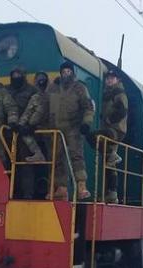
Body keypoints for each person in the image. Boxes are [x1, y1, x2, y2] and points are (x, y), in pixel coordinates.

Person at [48, 61, 94, 200]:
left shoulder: (80, 87)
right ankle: (61, 188)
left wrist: (86, 123)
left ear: (72, 72)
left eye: (68, 71)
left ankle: (81, 186)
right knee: (57, 159)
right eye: (63, 71)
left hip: (74, 128)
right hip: (57, 129)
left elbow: (88, 107)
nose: (66, 73)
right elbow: (46, 107)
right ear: (60, 73)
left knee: (76, 157)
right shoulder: (54, 88)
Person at [6, 67, 41, 198]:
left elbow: (38, 108)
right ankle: (8, 192)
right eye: (14, 74)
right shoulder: (6, 90)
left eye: (19, 74)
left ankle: (27, 194)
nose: (16, 77)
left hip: (26, 133)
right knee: (7, 164)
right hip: (8, 134)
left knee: (26, 163)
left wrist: (31, 126)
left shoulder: (32, 91)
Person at [95, 68, 128, 203]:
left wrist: (109, 120)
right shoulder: (107, 93)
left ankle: (112, 193)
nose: (109, 80)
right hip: (109, 129)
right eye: (108, 78)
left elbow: (122, 111)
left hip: (115, 130)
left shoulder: (119, 93)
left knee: (110, 161)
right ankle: (110, 193)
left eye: (112, 78)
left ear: (117, 80)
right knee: (109, 161)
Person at [19, 71, 50, 162]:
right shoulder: (36, 97)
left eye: (42, 80)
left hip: (48, 128)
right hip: (40, 129)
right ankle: (38, 154)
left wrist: (22, 124)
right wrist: (21, 126)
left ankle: (38, 154)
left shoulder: (51, 96)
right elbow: (28, 112)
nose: (41, 82)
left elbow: (27, 113)